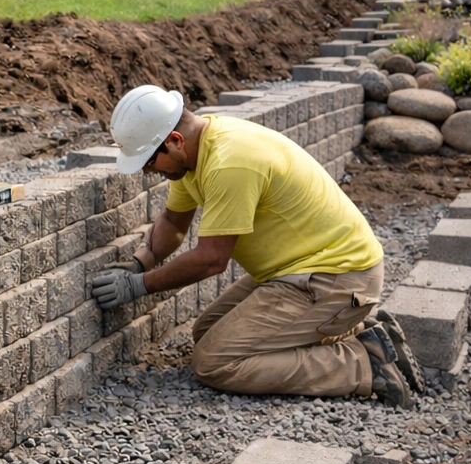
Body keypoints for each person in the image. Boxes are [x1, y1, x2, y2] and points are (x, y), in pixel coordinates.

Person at [89, 84, 423, 408]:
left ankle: (361, 363)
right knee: (206, 332)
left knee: (214, 362)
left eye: (148, 161)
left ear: (174, 141)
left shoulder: (229, 162)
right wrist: (139, 263)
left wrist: (138, 286)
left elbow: (211, 259)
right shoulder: (194, 155)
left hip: (336, 277)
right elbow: (174, 223)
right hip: (304, 271)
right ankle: (364, 331)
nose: (148, 171)